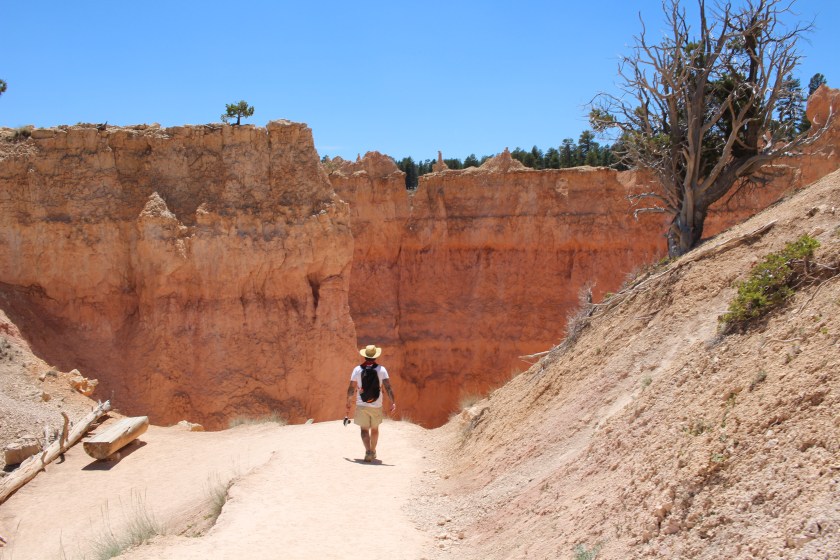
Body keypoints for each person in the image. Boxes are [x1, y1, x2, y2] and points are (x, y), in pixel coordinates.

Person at [346, 344, 396, 462]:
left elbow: (351, 388)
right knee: (374, 429)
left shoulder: (357, 369)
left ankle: (368, 451)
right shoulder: (381, 369)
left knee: (364, 430)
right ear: (375, 356)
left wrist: (348, 402)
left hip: (361, 403)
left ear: (365, 356)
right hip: (376, 404)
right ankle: (373, 451)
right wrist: (393, 402)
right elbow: (388, 387)